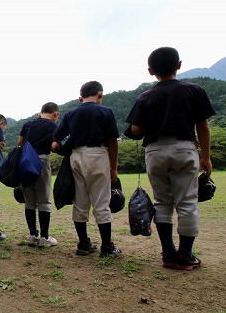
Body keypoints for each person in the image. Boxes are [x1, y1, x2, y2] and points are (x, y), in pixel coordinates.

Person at [125, 47, 215, 270]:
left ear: (150, 71)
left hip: (155, 151)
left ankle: (168, 253)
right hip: (184, 148)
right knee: (187, 203)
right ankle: (185, 255)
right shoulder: (194, 90)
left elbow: (136, 129)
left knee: (162, 202)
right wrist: (206, 156)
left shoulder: (145, 96)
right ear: (179, 65)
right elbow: (202, 125)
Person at [51, 81, 122, 258]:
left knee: (80, 201)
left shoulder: (71, 113)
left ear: (80, 97)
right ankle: (107, 246)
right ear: (100, 95)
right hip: (98, 154)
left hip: (76, 156)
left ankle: (83, 244)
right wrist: (113, 168)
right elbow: (112, 141)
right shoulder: (105, 111)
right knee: (101, 201)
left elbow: (54, 143)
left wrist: (65, 150)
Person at [18, 103, 60, 247]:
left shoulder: (28, 124)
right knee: (44, 201)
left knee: (29, 201)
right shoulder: (53, 127)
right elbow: (54, 147)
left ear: (41, 112)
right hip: (41, 161)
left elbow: (20, 144)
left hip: (24, 163)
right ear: (56, 114)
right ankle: (44, 238)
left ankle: (32, 236)